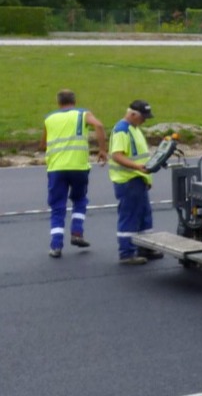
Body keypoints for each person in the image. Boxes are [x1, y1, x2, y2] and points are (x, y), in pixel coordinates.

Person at [41, 89, 107, 258]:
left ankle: (56, 245)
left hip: (56, 168)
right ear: (74, 101)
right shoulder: (82, 114)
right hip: (78, 166)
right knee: (79, 200)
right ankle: (77, 233)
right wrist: (102, 150)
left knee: (57, 207)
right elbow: (98, 125)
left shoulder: (49, 118)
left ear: (58, 102)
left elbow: (43, 143)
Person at [109, 100, 159, 265]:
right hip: (128, 180)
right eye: (143, 117)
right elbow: (117, 155)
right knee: (129, 216)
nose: (145, 121)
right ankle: (127, 253)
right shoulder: (122, 130)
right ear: (132, 114)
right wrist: (137, 167)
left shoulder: (135, 129)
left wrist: (146, 177)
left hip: (138, 179)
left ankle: (145, 247)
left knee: (144, 215)